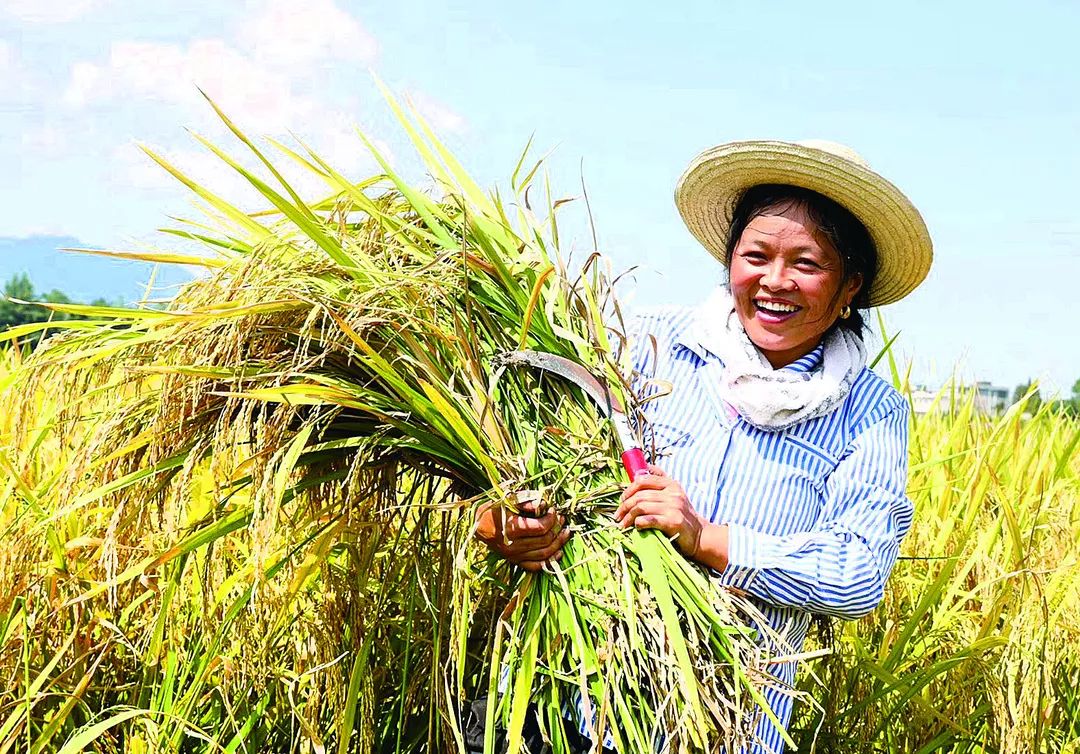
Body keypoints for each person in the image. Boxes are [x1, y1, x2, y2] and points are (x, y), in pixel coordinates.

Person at [475, 139, 933, 753]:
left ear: (849, 286)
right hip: (571, 701)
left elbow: (858, 573)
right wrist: (515, 524)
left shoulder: (869, 410)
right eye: (756, 255)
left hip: (725, 724)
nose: (775, 281)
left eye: (806, 264)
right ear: (729, 261)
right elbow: (545, 469)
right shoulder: (646, 343)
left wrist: (707, 539)